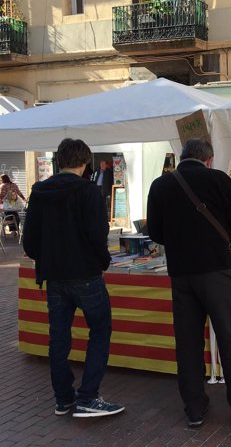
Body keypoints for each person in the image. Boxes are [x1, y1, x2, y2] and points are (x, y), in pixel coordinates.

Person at [146, 138, 231, 428]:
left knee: (187, 342)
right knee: (230, 338)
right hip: (217, 271)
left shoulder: (161, 185)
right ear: (209, 159)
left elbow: (156, 232)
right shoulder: (219, 180)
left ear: (182, 157)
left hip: (181, 274)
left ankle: (194, 408)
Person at [22, 138, 124, 419]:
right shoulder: (88, 191)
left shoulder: (39, 192)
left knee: (58, 338)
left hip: (54, 276)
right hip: (85, 274)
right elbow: (97, 234)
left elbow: (29, 242)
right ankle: (88, 397)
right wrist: (102, 261)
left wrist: (47, 257)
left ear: (59, 161)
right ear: (85, 162)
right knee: (101, 331)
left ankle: (63, 398)